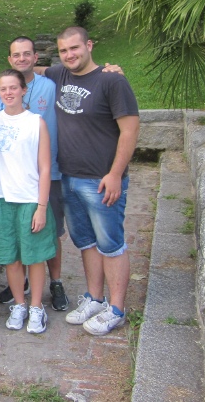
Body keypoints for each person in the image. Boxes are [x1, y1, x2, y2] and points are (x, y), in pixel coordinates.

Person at [44, 26, 139, 335]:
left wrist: (114, 174)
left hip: (102, 180)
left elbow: (130, 129)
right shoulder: (59, 75)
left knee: (111, 244)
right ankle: (95, 298)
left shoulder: (112, 81)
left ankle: (117, 309)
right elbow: (29, 68)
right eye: (63, 50)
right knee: (85, 242)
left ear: (89, 45)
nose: (70, 55)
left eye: (75, 48)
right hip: (70, 177)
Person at [0, 37, 68, 311]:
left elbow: (82, 72)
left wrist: (111, 69)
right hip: (11, 183)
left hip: (48, 174)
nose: (21, 59)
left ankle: (55, 283)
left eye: (26, 54)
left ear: (36, 57)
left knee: (50, 232)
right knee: (16, 240)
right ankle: (19, 288)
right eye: (16, 55)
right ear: (9, 59)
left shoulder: (52, 83)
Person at [0, 69, 56, 334]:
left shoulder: (36, 122)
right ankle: (19, 303)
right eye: (3, 89)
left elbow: (45, 167)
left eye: (14, 88)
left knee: (34, 257)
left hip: (29, 198)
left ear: (24, 90)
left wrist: (41, 206)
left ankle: (37, 306)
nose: (9, 93)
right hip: (1, 197)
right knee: (11, 258)